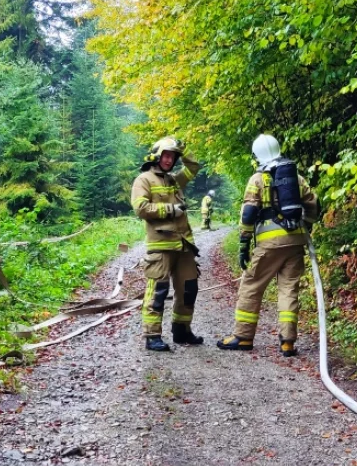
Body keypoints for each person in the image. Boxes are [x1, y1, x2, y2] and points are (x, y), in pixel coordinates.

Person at [217, 134, 318, 357]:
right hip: (296, 243)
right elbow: (313, 205)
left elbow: (249, 213)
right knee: (289, 289)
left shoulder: (258, 179)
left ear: (258, 155)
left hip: (270, 245)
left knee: (251, 285)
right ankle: (288, 342)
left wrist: (244, 242)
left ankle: (243, 336)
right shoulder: (297, 178)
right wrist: (306, 227)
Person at [131, 137, 203, 351]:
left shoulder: (174, 180)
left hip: (183, 246)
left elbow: (194, 166)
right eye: (166, 155)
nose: (169, 160)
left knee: (189, 289)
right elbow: (141, 209)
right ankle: (152, 335)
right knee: (158, 291)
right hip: (161, 246)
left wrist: (183, 148)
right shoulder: (144, 180)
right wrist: (170, 210)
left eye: (173, 156)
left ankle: (182, 330)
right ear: (156, 156)